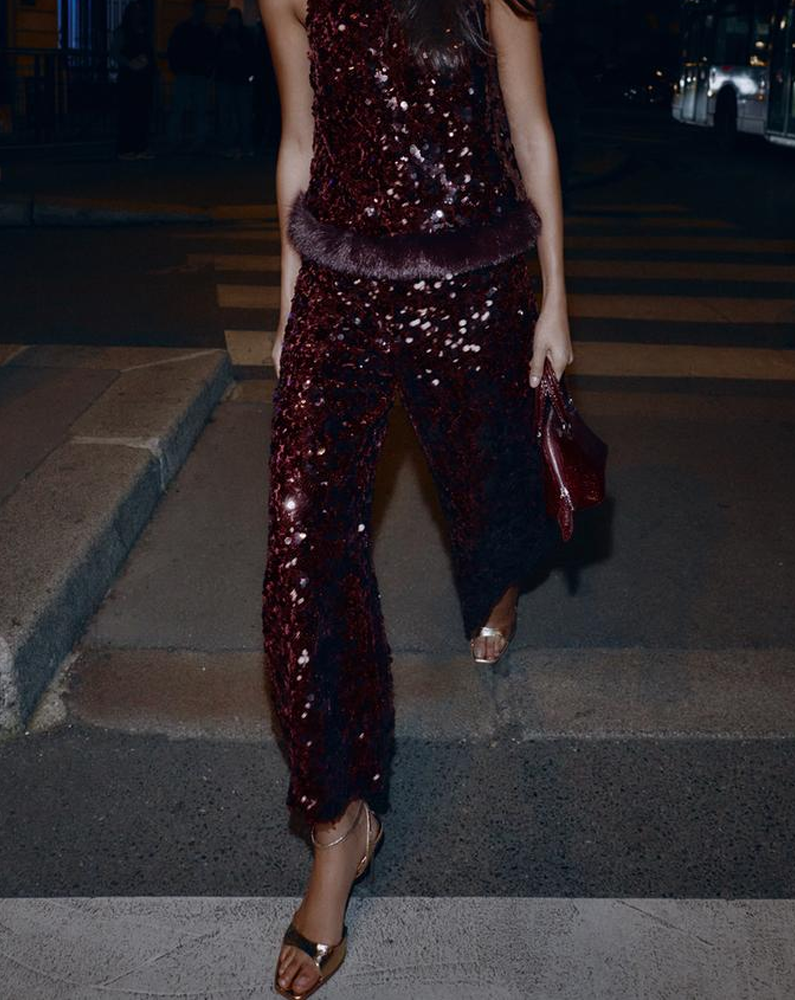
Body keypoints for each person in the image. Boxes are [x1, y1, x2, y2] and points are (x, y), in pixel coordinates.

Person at [259, 0, 571, 995]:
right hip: (339, 289)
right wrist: (286, 304)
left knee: (483, 497)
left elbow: (526, 128)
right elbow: (300, 140)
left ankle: (495, 584)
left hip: (470, 277)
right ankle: (337, 827)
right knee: (302, 551)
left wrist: (554, 296)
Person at [167, 0, 217, 152]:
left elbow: (213, 54)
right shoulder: (199, 30)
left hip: (195, 74)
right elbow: (173, 49)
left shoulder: (187, 29)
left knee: (192, 110)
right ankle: (179, 140)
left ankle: (185, 140)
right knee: (184, 109)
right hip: (189, 74)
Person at [112, 0, 155, 160]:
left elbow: (150, 52)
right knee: (128, 114)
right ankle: (126, 148)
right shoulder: (122, 31)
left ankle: (140, 146)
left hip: (143, 79)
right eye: (135, 11)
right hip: (129, 79)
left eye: (140, 11)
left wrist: (148, 64)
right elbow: (115, 52)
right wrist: (129, 63)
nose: (138, 14)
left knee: (142, 113)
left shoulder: (144, 31)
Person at [214, 6, 256, 157]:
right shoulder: (222, 35)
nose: (233, 21)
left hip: (241, 80)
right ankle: (227, 145)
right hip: (226, 80)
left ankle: (244, 145)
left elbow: (251, 56)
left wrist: (250, 75)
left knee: (243, 116)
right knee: (226, 115)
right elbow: (216, 55)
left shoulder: (245, 35)